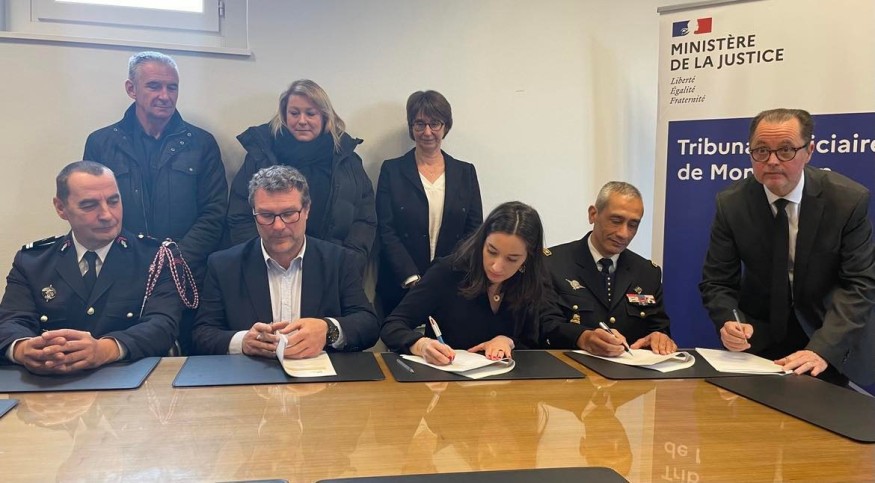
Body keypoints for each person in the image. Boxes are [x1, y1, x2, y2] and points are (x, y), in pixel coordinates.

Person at [699, 108, 875, 385]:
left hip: (828, 335)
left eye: (785, 150)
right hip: (760, 339)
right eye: (761, 151)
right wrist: (730, 320)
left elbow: (860, 284)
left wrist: (822, 349)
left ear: (809, 151)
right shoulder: (732, 204)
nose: (772, 161)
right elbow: (717, 282)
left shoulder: (847, 201)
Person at [0, 161, 183, 374]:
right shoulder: (33, 262)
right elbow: (10, 321)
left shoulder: (155, 257)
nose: (107, 215)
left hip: (130, 380)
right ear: (61, 208)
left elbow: (163, 325)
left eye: (113, 201)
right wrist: (24, 349)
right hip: (50, 381)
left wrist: (105, 349)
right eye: (89, 205)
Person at [192, 165, 379, 357]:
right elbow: (202, 333)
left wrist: (328, 330)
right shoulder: (224, 265)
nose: (278, 226)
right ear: (254, 214)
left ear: (307, 210)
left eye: (289, 214)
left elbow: (368, 325)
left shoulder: (339, 260)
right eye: (266, 215)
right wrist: (242, 341)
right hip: (251, 372)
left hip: (320, 372)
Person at [83, 51, 228, 280]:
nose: (165, 96)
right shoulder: (101, 144)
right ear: (131, 89)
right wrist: (128, 259)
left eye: (172, 87)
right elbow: (93, 210)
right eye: (154, 86)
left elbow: (214, 213)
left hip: (186, 272)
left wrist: (175, 260)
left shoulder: (202, 143)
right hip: (121, 272)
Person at [227, 79, 376, 273]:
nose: (302, 121)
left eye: (310, 113)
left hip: (333, 269)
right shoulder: (261, 156)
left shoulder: (347, 161)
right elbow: (240, 214)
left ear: (325, 116)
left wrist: (349, 263)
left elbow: (365, 218)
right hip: (270, 269)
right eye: (294, 113)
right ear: (284, 115)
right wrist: (258, 261)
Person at [381, 201, 549, 364]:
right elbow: (392, 326)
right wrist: (421, 345)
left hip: (506, 380)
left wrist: (507, 341)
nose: (497, 267)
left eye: (512, 259)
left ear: (528, 258)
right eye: (491, 251)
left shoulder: (528, 281)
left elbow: (532, 344)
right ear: (481, 242)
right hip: (445, 377)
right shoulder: (448, 272)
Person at [376, 90, 483, 317]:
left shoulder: (466, 172)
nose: (427, 132)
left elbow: (474, 231)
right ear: (411, 127)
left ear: (446, 126)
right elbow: (386, 230)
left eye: (435, 123)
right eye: (419, 124)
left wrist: (446, 274)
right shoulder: (391, 170)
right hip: (400, 285)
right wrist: (412, 278)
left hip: (452, 284)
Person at [540, 182, 675, 356]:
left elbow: (659, 327)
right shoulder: (551, 264)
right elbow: (544, 324)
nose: (623, 233)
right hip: (569, 369)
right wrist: (582, 337)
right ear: (593, 215)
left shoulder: (648, 272)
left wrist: (659, 338)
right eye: (616, 221)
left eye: (633, 225)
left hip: (630, 370)